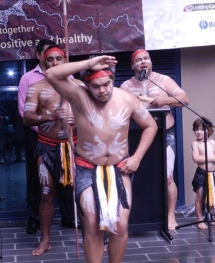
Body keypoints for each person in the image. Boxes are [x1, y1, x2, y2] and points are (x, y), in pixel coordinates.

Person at [45, 55, 158, 262]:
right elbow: (51, 73)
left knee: (121, 225)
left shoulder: (127, 99)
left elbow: (151, 126)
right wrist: (89, 64)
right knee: (93, 222)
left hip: (120, 167)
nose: (102, 90)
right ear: (87, 85)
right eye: (96, 86)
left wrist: (138, 158)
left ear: (113, 79)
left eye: (106, 84)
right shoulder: (78, 96)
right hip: (87, 167)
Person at [120, 49, 190, 230]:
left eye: (146, 59)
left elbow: (184, 99)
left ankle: (170, 216)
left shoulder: (163, 80)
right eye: (139, 60)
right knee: (132, 175)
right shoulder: (126, 86)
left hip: (164, 133)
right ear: (132, 65)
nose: (143, 62)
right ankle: (130, 217)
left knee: (167, 177)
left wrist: (165, 100)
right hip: (136, 135)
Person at [23, 45, 77, 256]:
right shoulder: (36, 88)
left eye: (59, 59)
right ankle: (45, 240)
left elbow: (94, 116)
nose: (55, 63)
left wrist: (77, 120)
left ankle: (91, 237)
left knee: (82, 194)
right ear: (44, 62)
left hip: (75, 146)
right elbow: (27, 119)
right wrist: (52, 116)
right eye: (50, 59)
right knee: (46, 194)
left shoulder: (79, 86)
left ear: (65, 61)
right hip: (47, 146)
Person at [18, 39, 56, 234]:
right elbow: (24, 111)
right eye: (48, 55)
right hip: (38, 136)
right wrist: (44, 128)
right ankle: (34, 219)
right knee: (37, 179)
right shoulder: (29, 79)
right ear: (40, 56)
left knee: (68, 178)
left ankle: (68, 217)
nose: (54, 60)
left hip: (64, 137)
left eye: (58, 57)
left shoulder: (69, 78)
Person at [191, 118, 215, 229]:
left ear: (208, 130)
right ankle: (199, 220)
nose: (199, 132)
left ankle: (212, 219)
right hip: (201, 174)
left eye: (202, 129)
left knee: (212, 197)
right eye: (196, 130)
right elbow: (196, 158)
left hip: (213, 174)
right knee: (200, 197)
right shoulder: (195, 143)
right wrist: (212, 157)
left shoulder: (212, 142)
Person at [0, 92, 25, 164]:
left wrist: (2, 118)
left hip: (2, 127)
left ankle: (19, 155)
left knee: (13, 133)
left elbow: (8, 117)